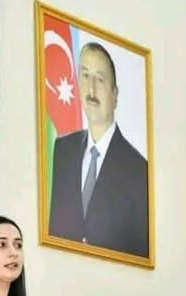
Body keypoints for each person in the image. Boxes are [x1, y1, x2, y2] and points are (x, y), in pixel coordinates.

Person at [48, 42, 149, 257]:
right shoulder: (63, 150)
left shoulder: (139, 171)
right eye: (85, 76)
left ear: (115, 95)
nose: (91, 90)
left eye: (100, 80)